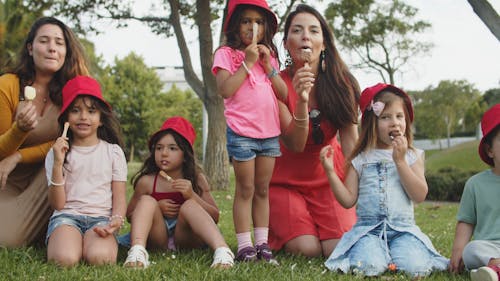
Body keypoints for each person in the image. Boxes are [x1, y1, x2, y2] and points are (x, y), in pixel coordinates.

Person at [322, 83, 449, 277]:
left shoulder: (412, 156)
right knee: (369, 266)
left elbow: (420, 195)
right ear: (372, 123)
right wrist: (330, 171)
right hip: (368, 231)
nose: (395, 123)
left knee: (416, 268)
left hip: (403, 229)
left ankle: (395, 254)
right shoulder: (361, 159)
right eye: (385, 117)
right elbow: (348, 200)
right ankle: (378, 255)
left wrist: (400, 161)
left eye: (399, 116)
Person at [268, 4, 359, 258]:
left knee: (339, 248)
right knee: (307, 249)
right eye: (297, 30)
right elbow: (295, 143)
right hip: (284, 181)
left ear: (324, 42)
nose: (305, 36)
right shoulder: (275, 86)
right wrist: (302, 99)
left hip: (329, 179)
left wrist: (351, 191)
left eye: (313, 30)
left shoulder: (343, 83)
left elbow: (352, 142)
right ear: (286, 44)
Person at [0, 17, 89, 247]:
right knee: (5, 237)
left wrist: (19, 156)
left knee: (70, 157)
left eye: (59, 42)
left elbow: (71, 142)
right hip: (6, 180)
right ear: (30, 48)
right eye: (44, 41)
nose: (52, 48)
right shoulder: (8, 85)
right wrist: (18, 131)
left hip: (47, 179)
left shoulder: (71, 92)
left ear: (66, 51)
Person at [212, 0, 287, 263]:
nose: (252, 26)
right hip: (242, 132)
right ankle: (245, 246)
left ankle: (262, 244)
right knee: (245, 188)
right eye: (246, 21)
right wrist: (247, 62)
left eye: (258, 21)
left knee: (263, 189)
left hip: (269, 133)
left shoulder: (269, 57)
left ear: (266, 27)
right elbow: (225, 90)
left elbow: (283, 93)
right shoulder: (226, 54)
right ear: (235, 25)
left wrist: (268, 66)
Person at [121, 116, 234, 269]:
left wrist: (192, 196)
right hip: (157, 238)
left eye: (172, 148)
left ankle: (222, 251)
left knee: (189, 206)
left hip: (186, 239)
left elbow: (214, 216)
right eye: (159, 148)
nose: (164, 153)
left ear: (185, 155)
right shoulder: (147, 182)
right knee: (147, 201)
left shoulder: (196, 180)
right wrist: (157, 207)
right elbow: (129, 216)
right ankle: (137, 252)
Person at [45, 76, 127, 267]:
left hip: (100, 219)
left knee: (101, 259)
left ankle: (90, 243)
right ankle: (70, 242)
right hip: (66, 217)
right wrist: (58, 164)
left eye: (91, 111)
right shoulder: (56, 153)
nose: (83, 117)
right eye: (75, 110)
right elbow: (58, 204)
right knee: (64, 259)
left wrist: (115, 220)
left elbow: (119, 196)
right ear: (66, 118)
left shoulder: (113, 152)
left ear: (100, 119)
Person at [449, 104, 500, 281]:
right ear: (490, 150)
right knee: (471, 250)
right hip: (489, 247)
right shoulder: (475, 184)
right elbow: (466, 222)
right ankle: (495, 267)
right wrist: (458, 249)